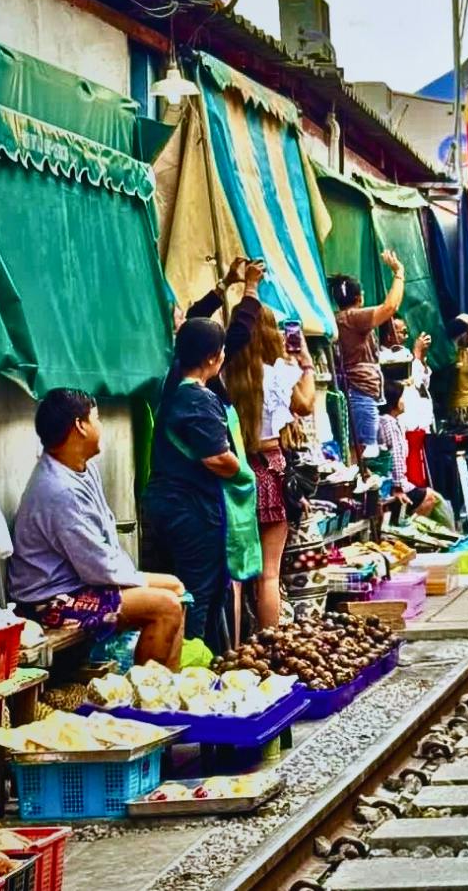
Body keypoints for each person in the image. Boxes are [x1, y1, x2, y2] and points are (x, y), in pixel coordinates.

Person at [9, 390, 186, 667]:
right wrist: (138, 579)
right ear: (80, 426)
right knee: (166, 606)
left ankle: (168, 690)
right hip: (50, 602)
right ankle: (146, 693)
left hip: (81, 584)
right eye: (97, 418)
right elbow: (97, 567)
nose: (100, 426)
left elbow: (104, 541)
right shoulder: (58, 489)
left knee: (176, 589)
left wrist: (138, 578)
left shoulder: (81, 468)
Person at [140, 319, 249, 655]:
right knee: (197, 596)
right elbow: (217, 458)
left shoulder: (167, 392)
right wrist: (240, 469)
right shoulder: (198, 399)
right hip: (191, 513)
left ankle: (177, 665)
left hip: (162, 508)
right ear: (214, 357)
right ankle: (192, 670)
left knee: (174, 595)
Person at [223, 306, 316, 629]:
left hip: (235, 474)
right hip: (271, 472)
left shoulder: (223, 376)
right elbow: (305, 404)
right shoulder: (276, 374)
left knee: (235, 575)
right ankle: (268, 644)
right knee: (268, 573)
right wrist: (306, 363)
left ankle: (234, 647)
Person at [328, 250, 406, 454]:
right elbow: (390, 307)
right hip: (360, 393)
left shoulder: (342, 319)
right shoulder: (353, 318)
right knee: (364, 452)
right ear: (358, 297)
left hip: (359, 392)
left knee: (363, 450)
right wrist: (399, 272)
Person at [185, 258, 266, 404]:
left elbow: (194, 317)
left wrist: (226, 283)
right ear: (211, 358)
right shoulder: (202, 401)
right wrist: (251, 287)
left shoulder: (183, 374)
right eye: (221, 350)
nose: (224, 353)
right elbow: (239, 333)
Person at [376, 392, 455, 526]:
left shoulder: (390, 421)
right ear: (393, 402)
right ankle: (410, 530)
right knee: (431, 497)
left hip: (396, 482)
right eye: (401, 397)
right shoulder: (388, 422)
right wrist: (398, 488)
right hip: (392, 485)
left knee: (434, 497)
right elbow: (395, 456)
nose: (403, 401)